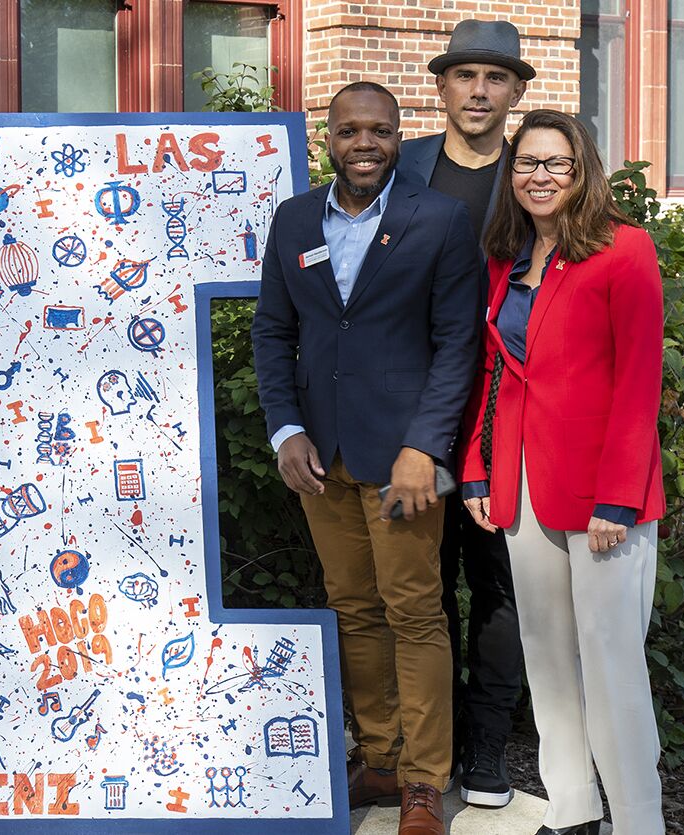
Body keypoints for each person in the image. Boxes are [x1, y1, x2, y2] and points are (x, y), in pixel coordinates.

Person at [252, 81, 484, 835]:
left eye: (379, 131)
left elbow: (459, 345)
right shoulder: (293, 220)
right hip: (321, 454)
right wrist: (286, 430)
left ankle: (424, 780)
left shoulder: (440, 220)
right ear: (328, 136)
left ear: (398, 135)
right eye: (350, 130)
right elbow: (271, 333)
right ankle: (379, 757)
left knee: (415, 611)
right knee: (352, 607)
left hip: (404, 459)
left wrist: (426, 448)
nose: (364, 143)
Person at [459, 109, 666, 835]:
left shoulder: (624, 250)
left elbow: (640, 382)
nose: (539, 176)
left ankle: (640, 823)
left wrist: (619, 498)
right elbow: (494, 371)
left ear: (583, 174)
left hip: (607, 494)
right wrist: (478, 468)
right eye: (527, 163)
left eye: (556, 164)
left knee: (612, 666)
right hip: (522, 482)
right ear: (510, 174)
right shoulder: (506, 257)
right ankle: (576, 812)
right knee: (547, 657)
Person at [393, 18, 535, 809]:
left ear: (515, 91)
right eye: (465, 76)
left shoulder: (537, 173)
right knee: (423, 584)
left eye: (495, 78)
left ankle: (487, 750)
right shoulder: (403, 166)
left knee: (498, 581)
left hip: (504, 407)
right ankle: (431, 753)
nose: (479, 91)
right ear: (441, 87)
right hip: (414, 407)